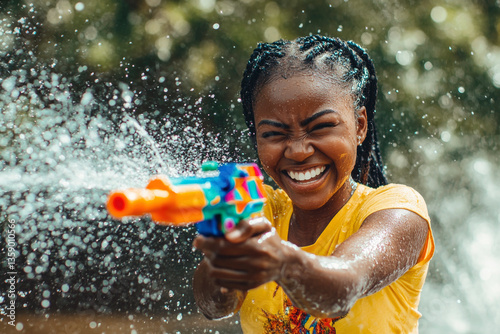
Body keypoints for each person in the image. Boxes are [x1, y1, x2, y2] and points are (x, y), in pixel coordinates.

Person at [192, 35, 434, 333]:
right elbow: (214, 308)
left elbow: (345, 286)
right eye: (274, 134)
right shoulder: (256, 208)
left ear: (359, 126)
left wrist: (282, 261)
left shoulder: (399, 212)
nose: (298, 151)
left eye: (320, 127)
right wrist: (223, 263)